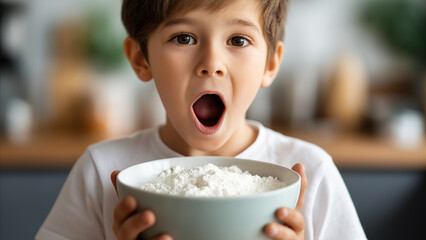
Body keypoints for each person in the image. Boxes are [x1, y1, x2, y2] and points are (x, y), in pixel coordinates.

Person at [36, 0, 367, 239]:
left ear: (270, 63)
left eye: (238, 40)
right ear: (141, 59)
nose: (212, 63)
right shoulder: (101, 171)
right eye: (184, 38)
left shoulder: (312, 172)